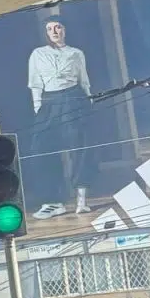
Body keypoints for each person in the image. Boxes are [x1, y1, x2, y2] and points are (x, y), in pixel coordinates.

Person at [27, 15, 93, 214]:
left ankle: (81, 199)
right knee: (40, 147)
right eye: (50, 29)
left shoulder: (76, 53)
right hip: (49, 101)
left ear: (64, 29)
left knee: (79, 145)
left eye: (58, 27)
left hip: (73, 97)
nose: (54, 32)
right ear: (46, 33)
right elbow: (35, 84)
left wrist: (88, 103)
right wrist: (38, 108)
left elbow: (84, 81)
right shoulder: (38, 54)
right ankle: (53, 202)